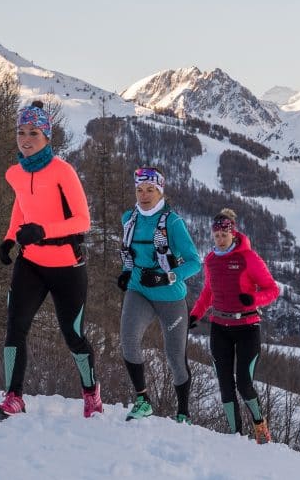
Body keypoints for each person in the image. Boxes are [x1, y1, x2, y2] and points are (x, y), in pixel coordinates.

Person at [0, 100, 101, 420]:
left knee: (73, 334)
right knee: (15, 327)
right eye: (21, 132)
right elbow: (21, 206)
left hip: (67, 266)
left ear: (47, 136)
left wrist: (43, 231)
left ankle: (90, 391)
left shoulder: (62, 171)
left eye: (34, 133)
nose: (26, 138)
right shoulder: (15, 173)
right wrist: (9, 238)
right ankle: (13, 396)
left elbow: (82, 221)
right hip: (32, 265)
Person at [117, 167, 202, 423]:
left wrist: (168, 276)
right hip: (139, 288)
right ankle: (143, 400)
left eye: (150, 190)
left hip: (170, 296)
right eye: (140, 190)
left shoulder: (173, 223)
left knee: (175, 356)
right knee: (128, 339)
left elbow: (195, 262)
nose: (144, 195)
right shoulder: (128, 219)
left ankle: (184, 412)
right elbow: (130, 255)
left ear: (160, 191)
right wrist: (125, 272)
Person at [190, 209, 280, 443]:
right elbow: (208, 292)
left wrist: (254, 300)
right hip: (219, 328)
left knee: (244, 382)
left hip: (247, 327)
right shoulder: (210, 260)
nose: (220, 239)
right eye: (216, 235)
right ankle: (235, 436)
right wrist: (195, 314)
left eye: (224, 235)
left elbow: (272, 289)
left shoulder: (248, 258)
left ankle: (260, 425)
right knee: (225, 384)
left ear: (233, 233)